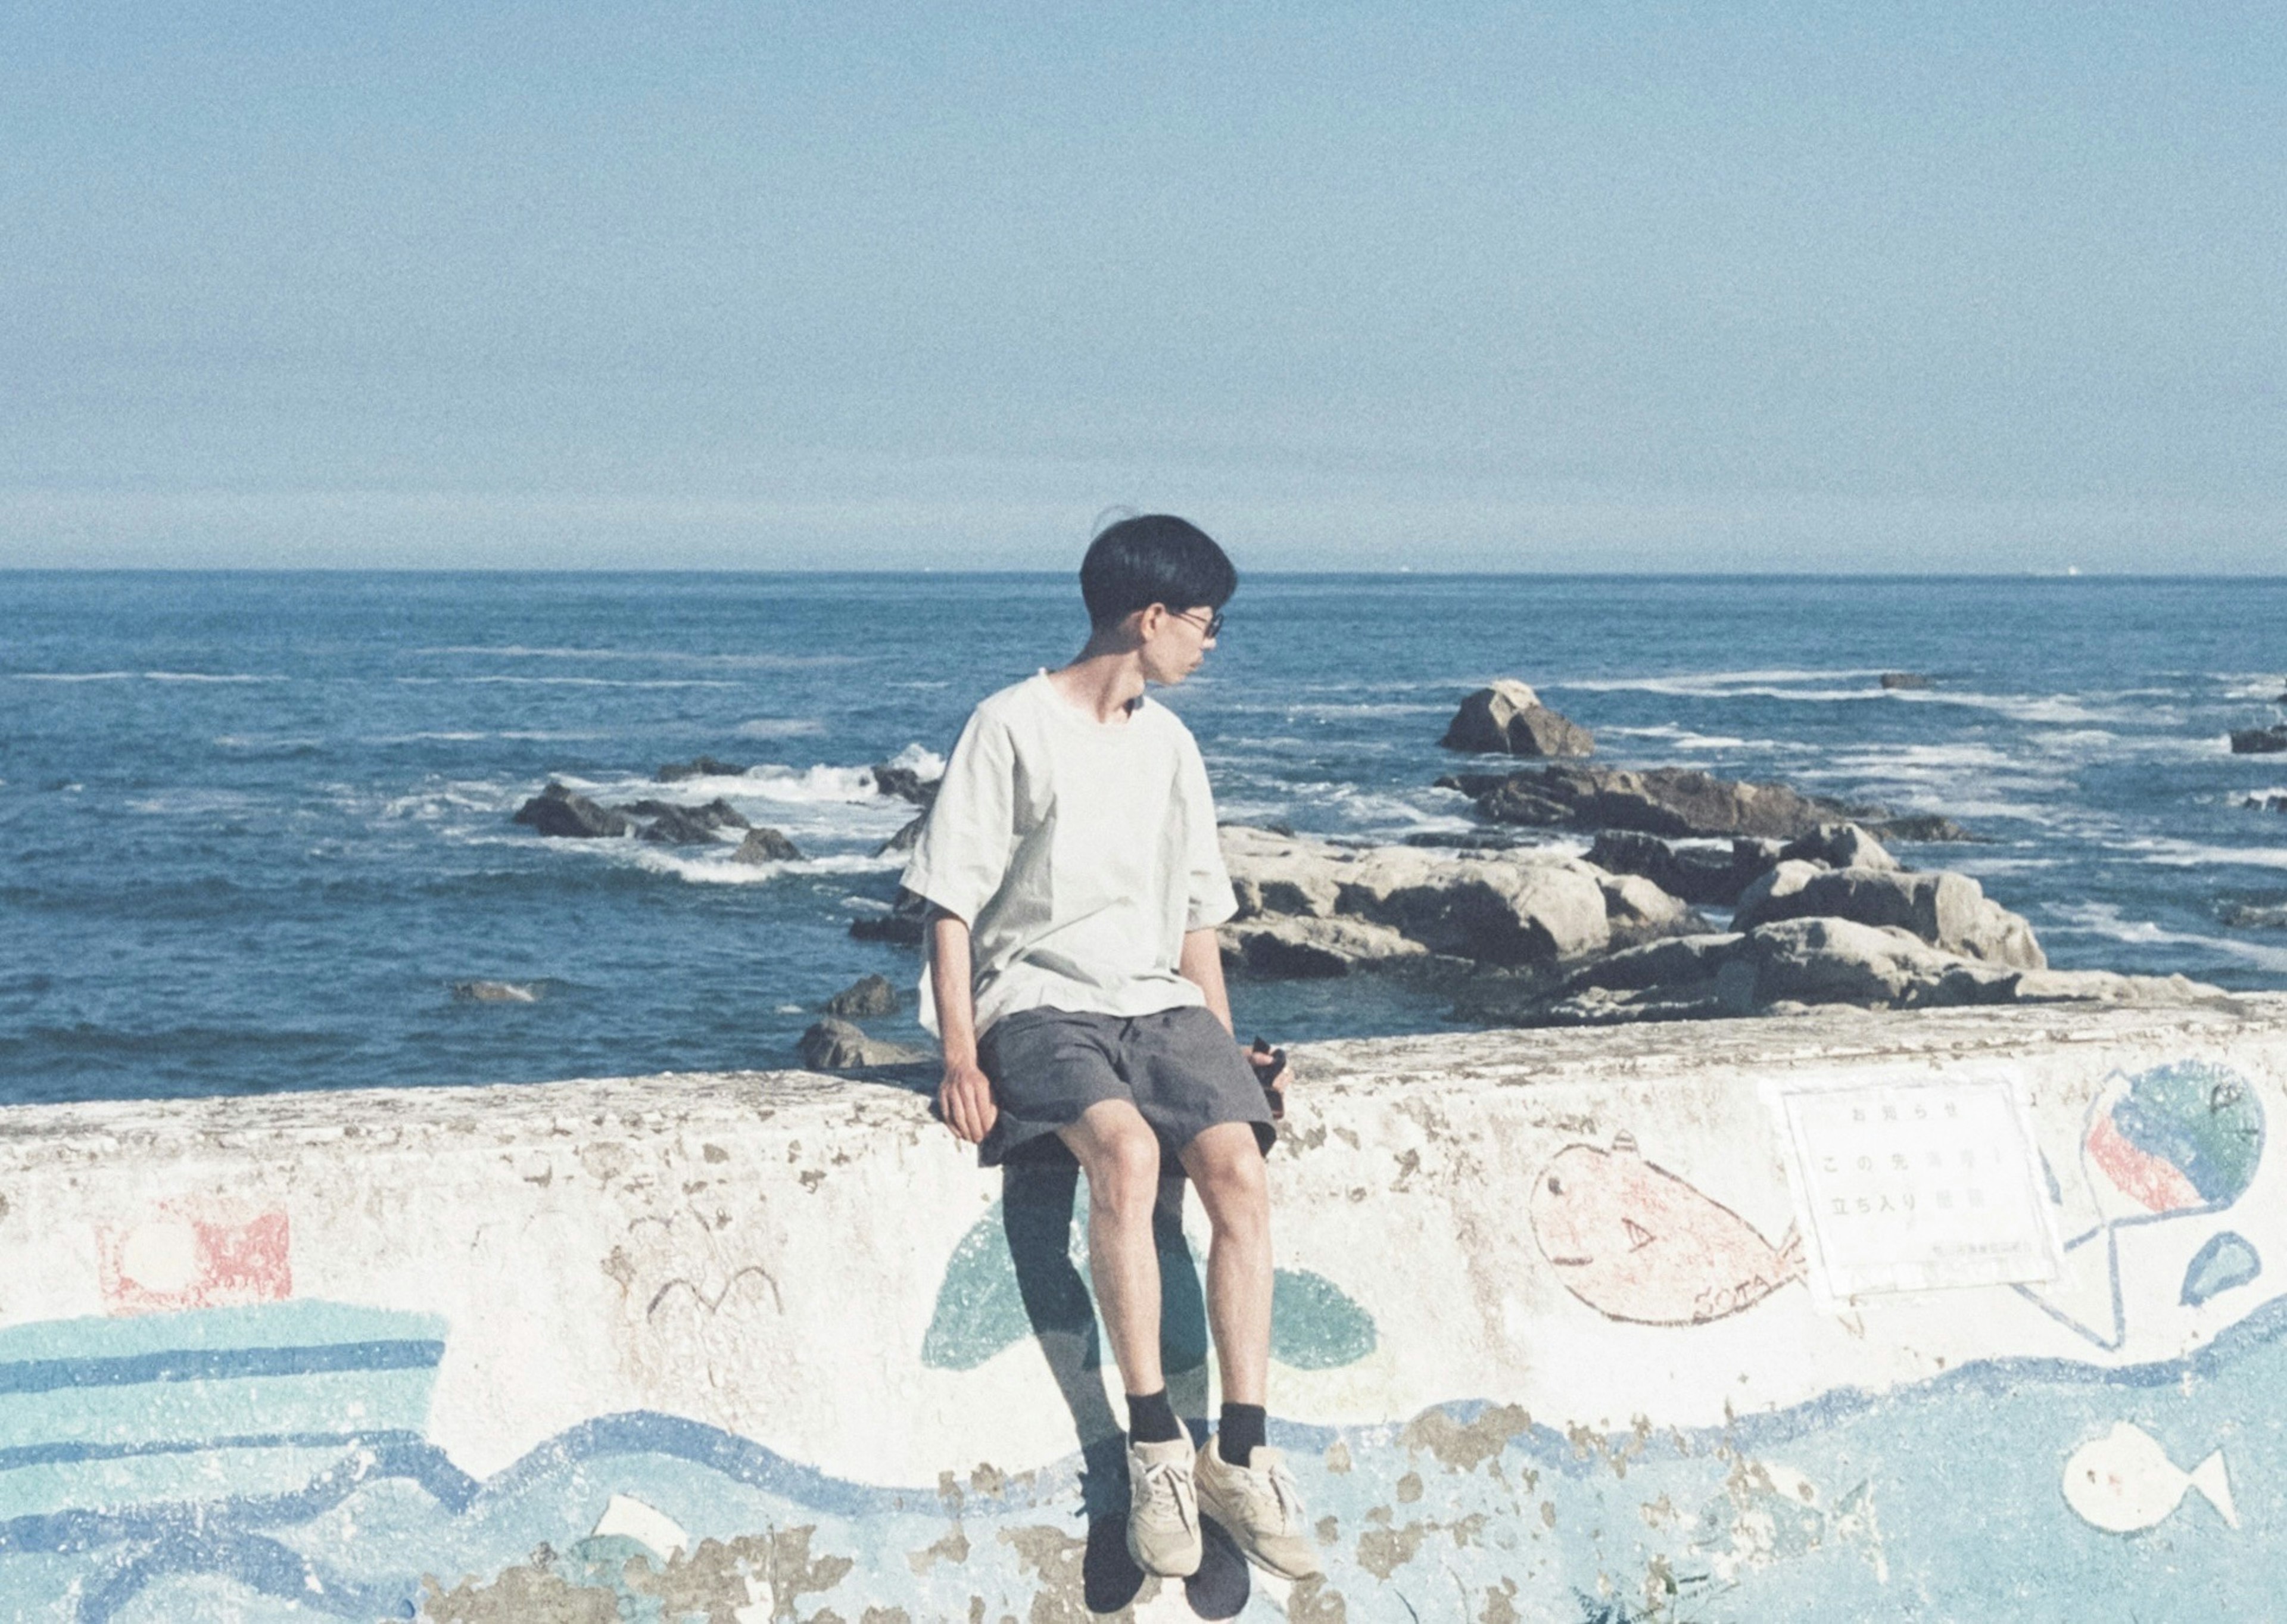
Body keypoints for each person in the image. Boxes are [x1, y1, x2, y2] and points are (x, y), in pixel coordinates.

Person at [900, 514, 1321, 1582]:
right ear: (1150, 617)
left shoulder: (1171, 745)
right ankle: (1151, 1448)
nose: (1211, 642)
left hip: (1159, 1003)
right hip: (1037, 1006)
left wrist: (1223, 1053)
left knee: (1235, 1161)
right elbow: (951, 905)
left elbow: (1196, 919)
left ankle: (1242, 1449)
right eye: (1204, 622)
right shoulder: (1009, 725)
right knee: (1127, 1156)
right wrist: (960, 1054)